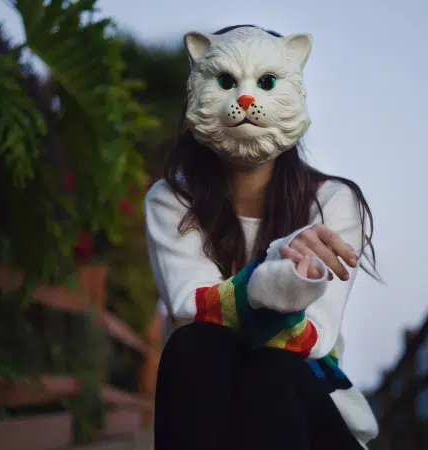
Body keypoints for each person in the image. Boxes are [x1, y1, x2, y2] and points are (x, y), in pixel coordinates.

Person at [144, 24, 379, 450]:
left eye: (267, 82)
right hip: (216, 410)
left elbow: (313, 337)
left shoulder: (333, 202)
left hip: (311, 415)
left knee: (275, 368)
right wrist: (283, 266)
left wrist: (254, 288)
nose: (246, 100)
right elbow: (188, 303)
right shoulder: (171, 200)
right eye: (228, 82)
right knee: (194, 346)